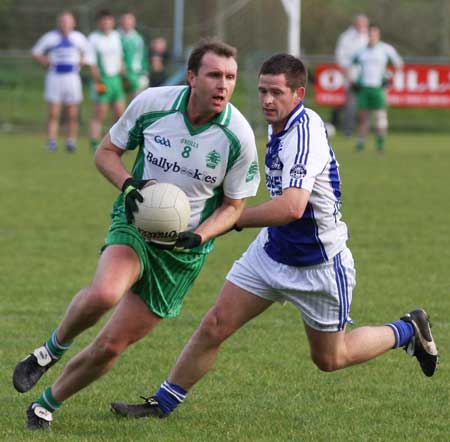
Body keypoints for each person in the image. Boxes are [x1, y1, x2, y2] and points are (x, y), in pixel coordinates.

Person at [109, 53, 439, 420]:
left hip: (319, 264)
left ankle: (406, 330)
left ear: (298, 94)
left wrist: (231, 218)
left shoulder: (304, 133)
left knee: (331, 358)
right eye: (263, 91)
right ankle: (162, 403)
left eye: (276, 93)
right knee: (214, 325)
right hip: (270, 251)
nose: (267, 100)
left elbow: (292, 207)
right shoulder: (274, 123)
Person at [13, 39, 260, 431]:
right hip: (137, 222)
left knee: (112, 344)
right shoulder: (153, 103)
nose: (223, 85)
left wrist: (199, 235)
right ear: (192, 77)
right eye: (214, 75)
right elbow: (105, 152)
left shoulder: (239, 138)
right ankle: (49, 351)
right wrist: (129, 186)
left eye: (230, 77)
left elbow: (234, 207)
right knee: (104, 294)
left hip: (182, 252)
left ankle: (45, 406)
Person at [31, 11, 93, 152]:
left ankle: (71, 141)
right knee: (53, 111)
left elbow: (89, 52)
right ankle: (52, 141)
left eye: (68, 22)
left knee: (72, 111)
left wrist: (81, 62)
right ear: (59, 23)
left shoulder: (78, 38)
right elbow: (36, 52)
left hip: (72, 77)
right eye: (63, 21)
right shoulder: (50, 37)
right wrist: (45, 61)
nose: (65, 24)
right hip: (55, 76)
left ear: (73, 23)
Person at [352, 24, 403, 151]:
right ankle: (360, 143)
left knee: (380, 117)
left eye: (374, 34)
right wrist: (352, 80)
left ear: (378, 35)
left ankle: (380, 145)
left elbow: (399, 64)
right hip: (364, 88)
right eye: (370, 34)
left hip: (379, 88)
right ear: (367, 35)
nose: (372, 36)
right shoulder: (361, 51)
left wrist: (390, 78)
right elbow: (350, 65)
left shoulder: (385, 49)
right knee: (363, 118)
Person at [88, 10, 126, 151]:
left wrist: (124, 74)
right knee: (100, 113)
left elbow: (120, 57)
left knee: (120, 113)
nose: (106, 23)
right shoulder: (94, 38)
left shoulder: (116, 36)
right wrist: (98, 82)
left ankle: (116, 143)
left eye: (108, 20)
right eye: (103, 20)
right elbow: (92, 63)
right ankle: (94, 142)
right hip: (102, 80)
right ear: (99, 22)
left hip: (116, 80)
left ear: (112, 22)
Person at [334, 13, 369, 136]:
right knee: (351, 104)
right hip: (352, 76)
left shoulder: (369, 36)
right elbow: (340, 56)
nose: (361, 26)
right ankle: (347, 130)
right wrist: (346, 73)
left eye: (363, 23)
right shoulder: (346, 37)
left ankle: (364, 131)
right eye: (359, 23)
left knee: (366, 106)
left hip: (367, 77)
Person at [118, 12, 149, 100]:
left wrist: (145, 71)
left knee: (137, 101)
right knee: (120, 101)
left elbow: (143, 56)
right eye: (125, 21)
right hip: (120, 74)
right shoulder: (116, 36)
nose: (127, 23)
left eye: (129, 21)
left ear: (134, 23)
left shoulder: (138, 38)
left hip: (136, 73)